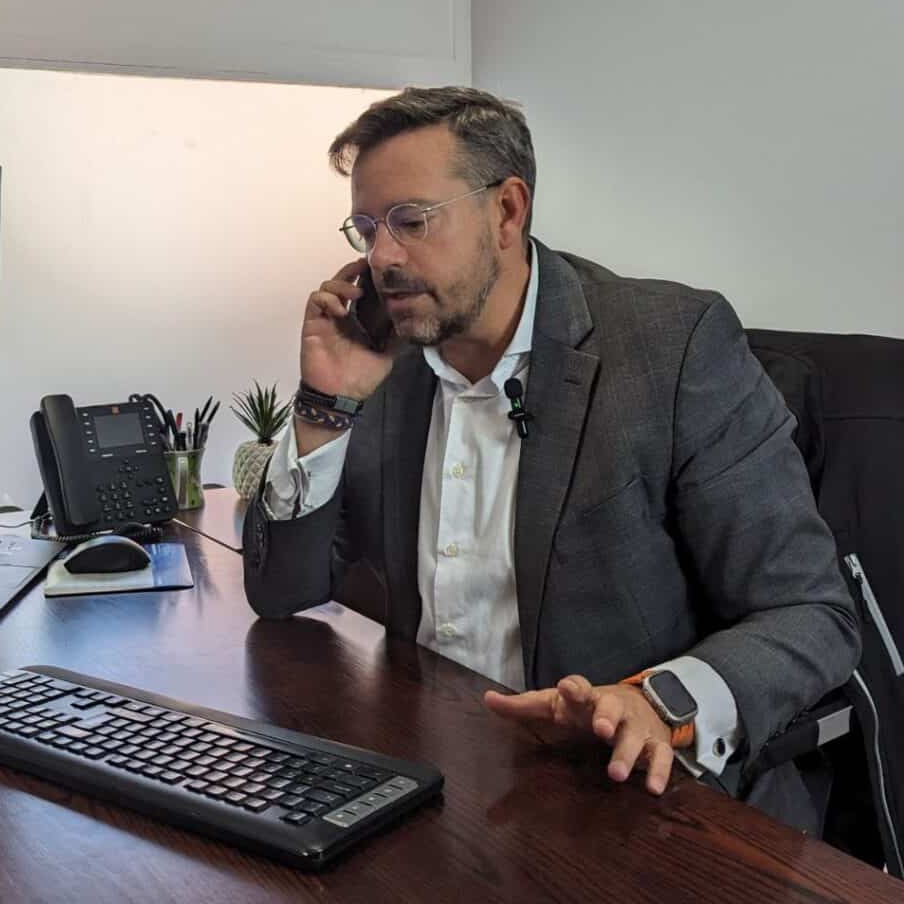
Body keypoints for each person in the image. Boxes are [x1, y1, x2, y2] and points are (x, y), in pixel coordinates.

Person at [242, 86, 860, 829]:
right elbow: (280, 593)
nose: (381, 258)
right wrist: (324, 405)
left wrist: (660, 702)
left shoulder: (670, 350)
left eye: (410, 221)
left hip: (635, 802)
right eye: (367, 228)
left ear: (507, 211)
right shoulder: (384, 362)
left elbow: (813, 615)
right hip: (434, 787)